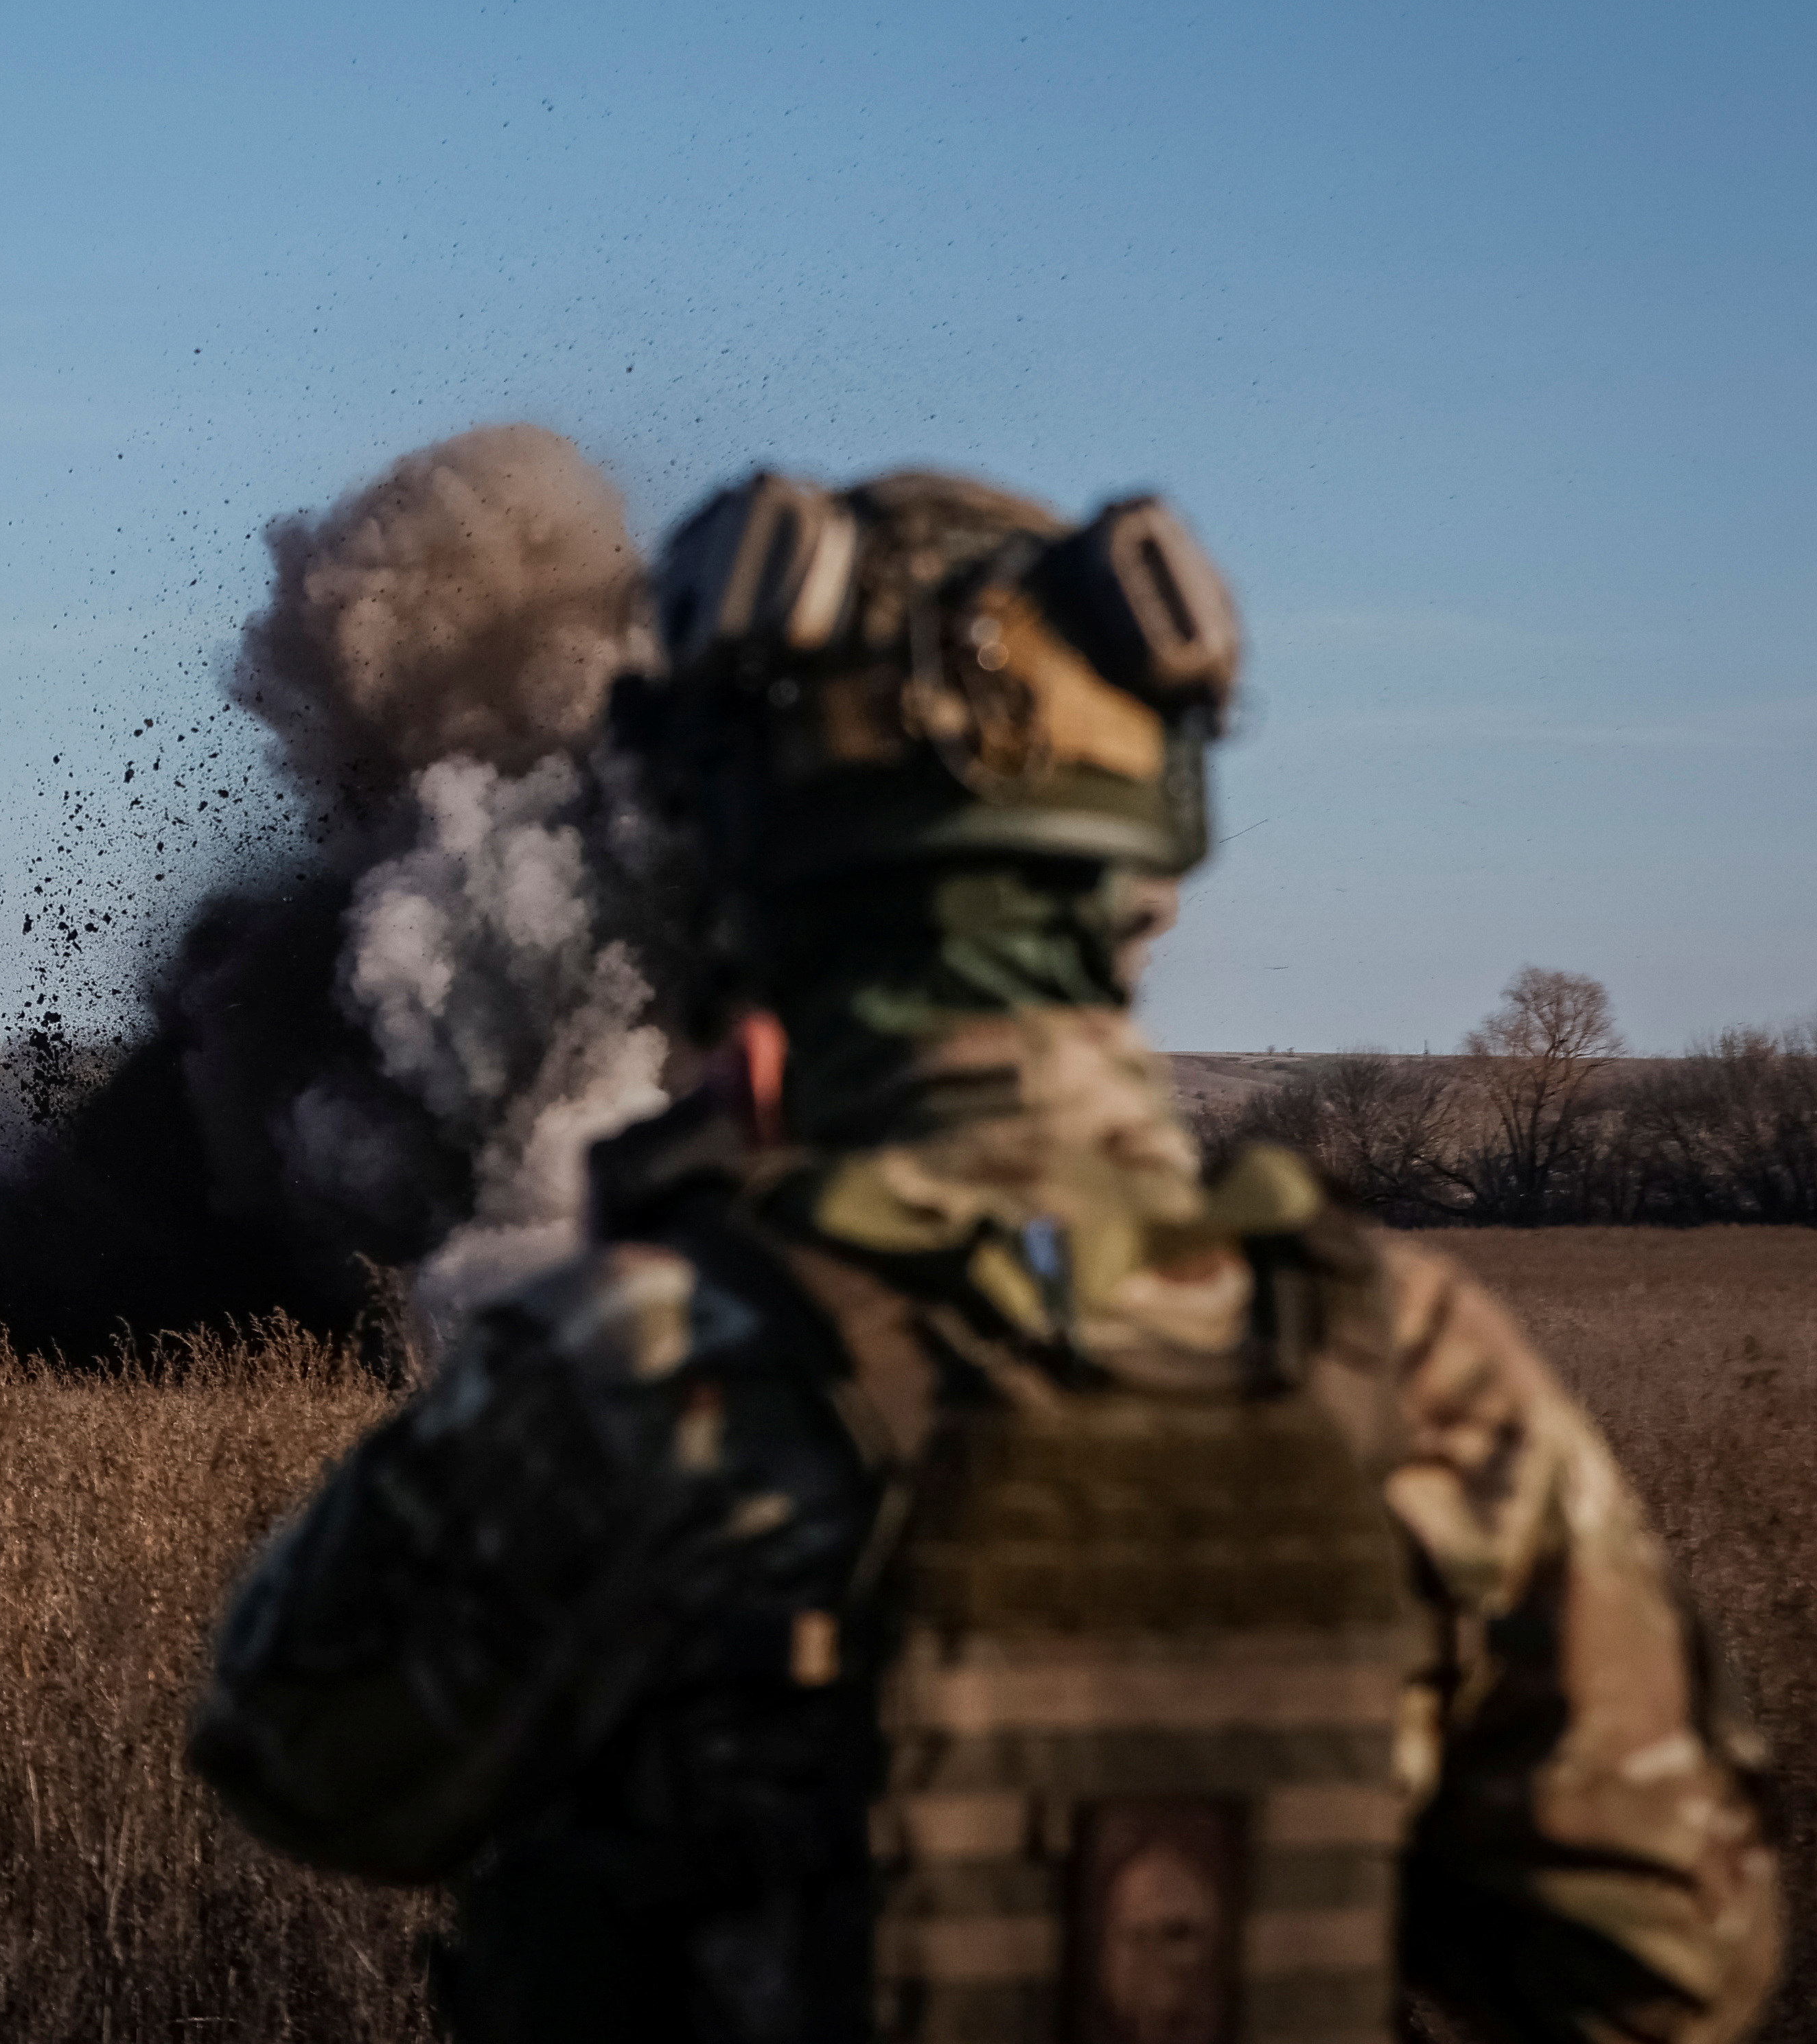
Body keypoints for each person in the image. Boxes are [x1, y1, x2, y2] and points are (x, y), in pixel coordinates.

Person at [189, 468, 1780, 2044]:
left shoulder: (644, 1366)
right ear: (1143, 891)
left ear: (726, 877)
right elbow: (1669, 1962)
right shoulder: (1415, 1373)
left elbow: (300, 1758)